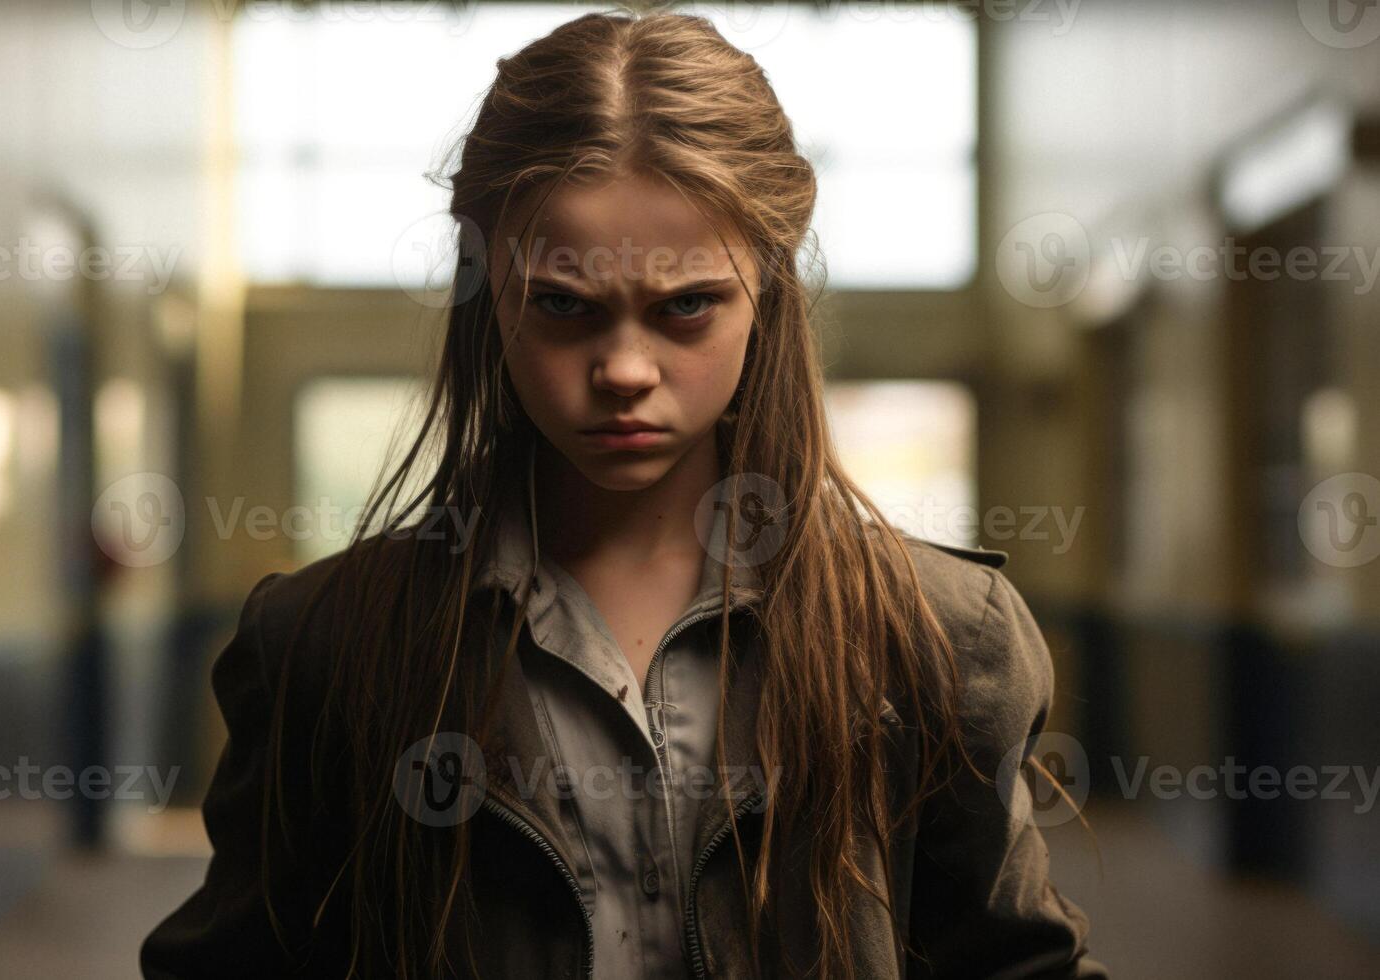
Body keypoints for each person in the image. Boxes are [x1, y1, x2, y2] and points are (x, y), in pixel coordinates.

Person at [141, 9, 1105, 979]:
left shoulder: (941, 639)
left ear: (766, 291)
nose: (624, 368)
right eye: (563, 304)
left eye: (686, 304)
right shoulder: (324, 647)